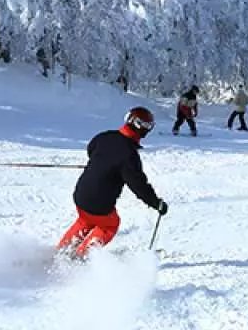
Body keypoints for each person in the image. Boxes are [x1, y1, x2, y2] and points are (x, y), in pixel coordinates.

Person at [57, 107, 168, 259]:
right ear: (141, 128)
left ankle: (62, 251)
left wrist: (102, 163)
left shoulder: (105, 136)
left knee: (85, 220)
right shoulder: (129, 155)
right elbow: (138, 185)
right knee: (110, 224)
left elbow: (91, 149)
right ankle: (81, 257)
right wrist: (156, 203)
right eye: (148, 126)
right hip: (99, 205)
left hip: (81, 195)